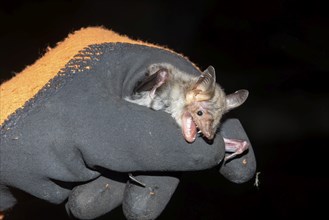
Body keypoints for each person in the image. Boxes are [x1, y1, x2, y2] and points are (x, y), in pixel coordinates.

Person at [0, 27, 256, 219]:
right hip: (122, 107)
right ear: (195, 93)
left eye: (213, 124)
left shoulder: (193, 115)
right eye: (201, 116)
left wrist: (226, 142)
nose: (208, 134)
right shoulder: (167, 86)